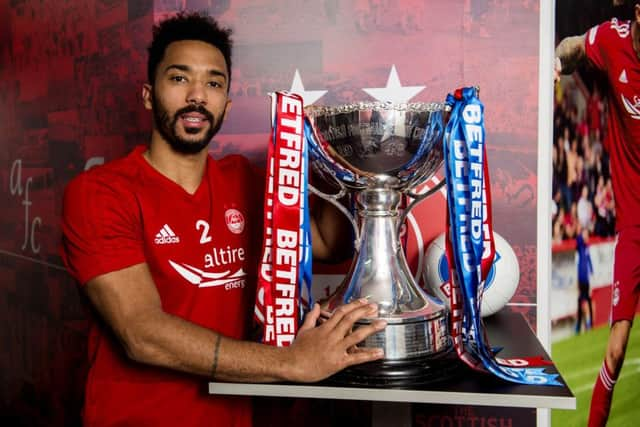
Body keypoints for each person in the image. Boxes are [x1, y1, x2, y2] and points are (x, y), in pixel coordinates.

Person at [60, 12, 386, 427]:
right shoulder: (99, 193)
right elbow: (141, 333)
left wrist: (336, 154)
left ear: (227, 104)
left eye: (213, 83)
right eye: (179, 79)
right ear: (148, 94)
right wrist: (291, 362)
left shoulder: (246, 181)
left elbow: (328, 243)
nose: (197, 96)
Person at [555, 1, 640, 425]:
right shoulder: (612, 38)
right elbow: (573, 45)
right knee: (615, 349)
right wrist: (558, 60)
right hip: (634, 224)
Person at [575, 228, 594, 334]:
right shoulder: (581, 247)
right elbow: (578, 240)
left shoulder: (587, 248)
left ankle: (590, 324)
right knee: (581, 301)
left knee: (588, 300)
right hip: (581, 278)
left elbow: (590, 264)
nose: (587, 236)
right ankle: (579, 325)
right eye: (585, 234)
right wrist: (581, 233)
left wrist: (592, 274)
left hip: (586, 279)